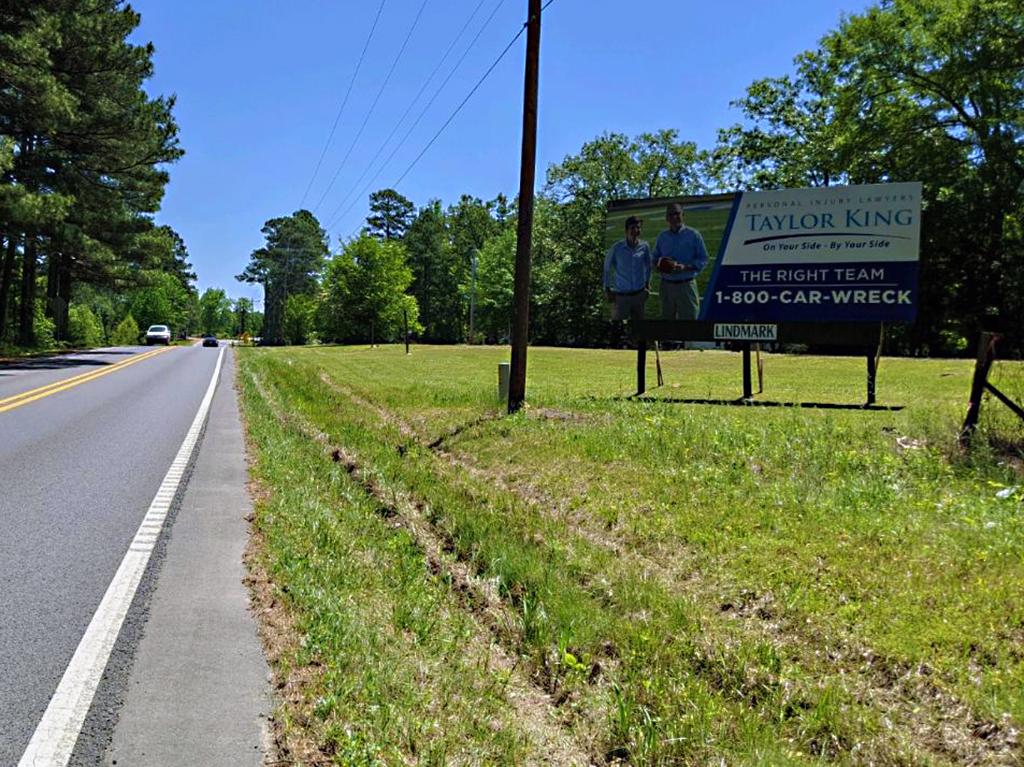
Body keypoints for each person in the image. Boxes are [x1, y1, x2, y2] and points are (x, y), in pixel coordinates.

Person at [653, 202, 709, 320]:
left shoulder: (693, 235)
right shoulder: (662, 237)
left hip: (686, 285)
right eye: (671, 214)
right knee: (667, 322)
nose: (675, 217)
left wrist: (685, 267)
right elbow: (654, 259)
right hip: (666, 286)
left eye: (678, 213)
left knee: (690, 321)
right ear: (667, 218)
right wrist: (661, 266)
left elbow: (703, 259)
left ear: (683, 214)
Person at [603, 215, 652, 323]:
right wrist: (606, 289)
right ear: (626, 230)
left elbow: (648, 266)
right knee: (617, 330)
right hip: (621, 297)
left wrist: (647, 283)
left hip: (639, 295)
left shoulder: (645, 246)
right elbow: (607, 268)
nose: (636, 230)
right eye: (633, 228)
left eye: (638, 227)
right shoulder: (617, 248)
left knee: (639, 331)